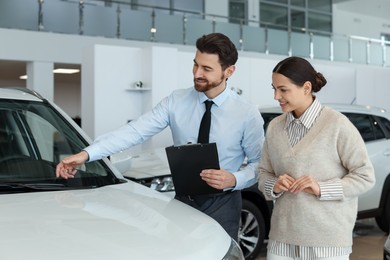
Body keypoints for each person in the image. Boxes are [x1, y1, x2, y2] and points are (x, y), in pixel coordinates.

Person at [56, 32, 265, 241]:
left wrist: (233, 179)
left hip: (223, 202)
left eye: (207, 69)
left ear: (229, 71)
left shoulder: (246, 113)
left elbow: (259, 165)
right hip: (184, 200)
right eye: (195, 65)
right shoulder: (176, 100)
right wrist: (87, 154)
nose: (197, 73)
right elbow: (135, 131)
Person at [258, 56, 375, 260]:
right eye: (274, 88)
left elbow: (365, 177)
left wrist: (322, 188)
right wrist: (274, 185)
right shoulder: (275, 127)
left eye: (283, 89)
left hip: (327, 242)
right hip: (282, 239)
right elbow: (263, 173)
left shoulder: (338, 124)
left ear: (306, 88)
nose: (276, 96)